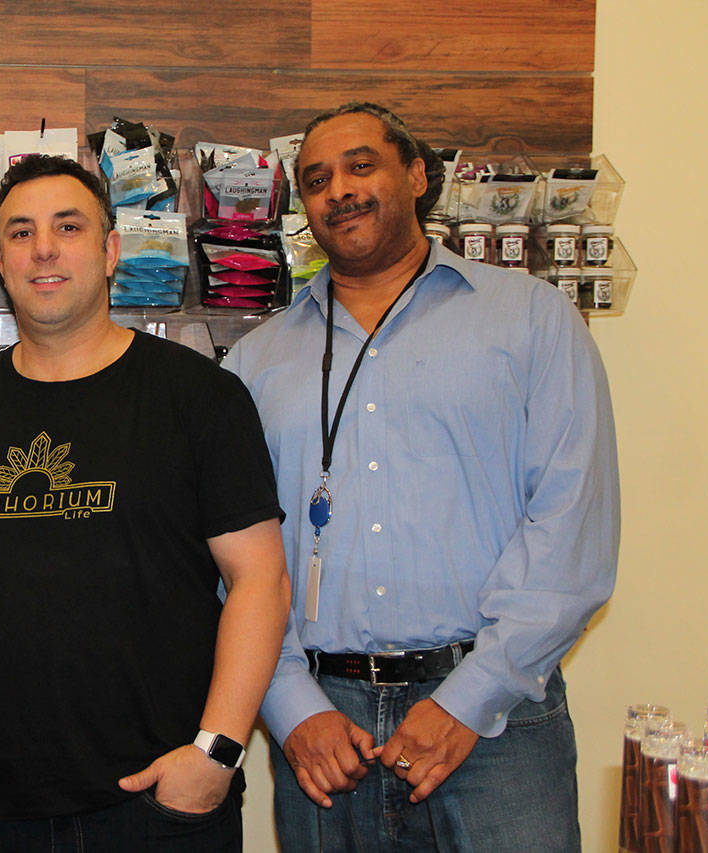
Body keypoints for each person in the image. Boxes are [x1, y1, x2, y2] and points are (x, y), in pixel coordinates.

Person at [224, 103, 619, 850]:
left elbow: (573, 524)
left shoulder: (530, 319)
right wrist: (287, 703)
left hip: (498, 717)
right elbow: (234, 558)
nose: (339, 190)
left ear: (416, 175)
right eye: (316, 180)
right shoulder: (256, 361)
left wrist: (472, 697)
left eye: (360, 166)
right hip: (323, 729)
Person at [0, 154, 290, 852]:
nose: (44, 249)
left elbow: (260, 579)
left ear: (111, 251)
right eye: (21, 232)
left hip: (161, 804)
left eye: (68, 227)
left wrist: (217, 751)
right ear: (0, 261)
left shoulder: (200, 396)